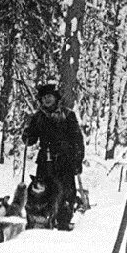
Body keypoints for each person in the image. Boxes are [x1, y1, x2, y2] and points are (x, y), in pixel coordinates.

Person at [22, 81, 85, 231]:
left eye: (49, 96)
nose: (47, 100)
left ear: (55, 97)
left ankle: (63, 223)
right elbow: (31, 139)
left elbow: (77, 140)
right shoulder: (38, 117)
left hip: (65, 161)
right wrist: (27, 135)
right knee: (42, 193)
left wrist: (77, 160)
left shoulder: (68, 115)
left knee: (66, 193)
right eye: (44, 98)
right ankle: (41, 223)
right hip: (45, 162)